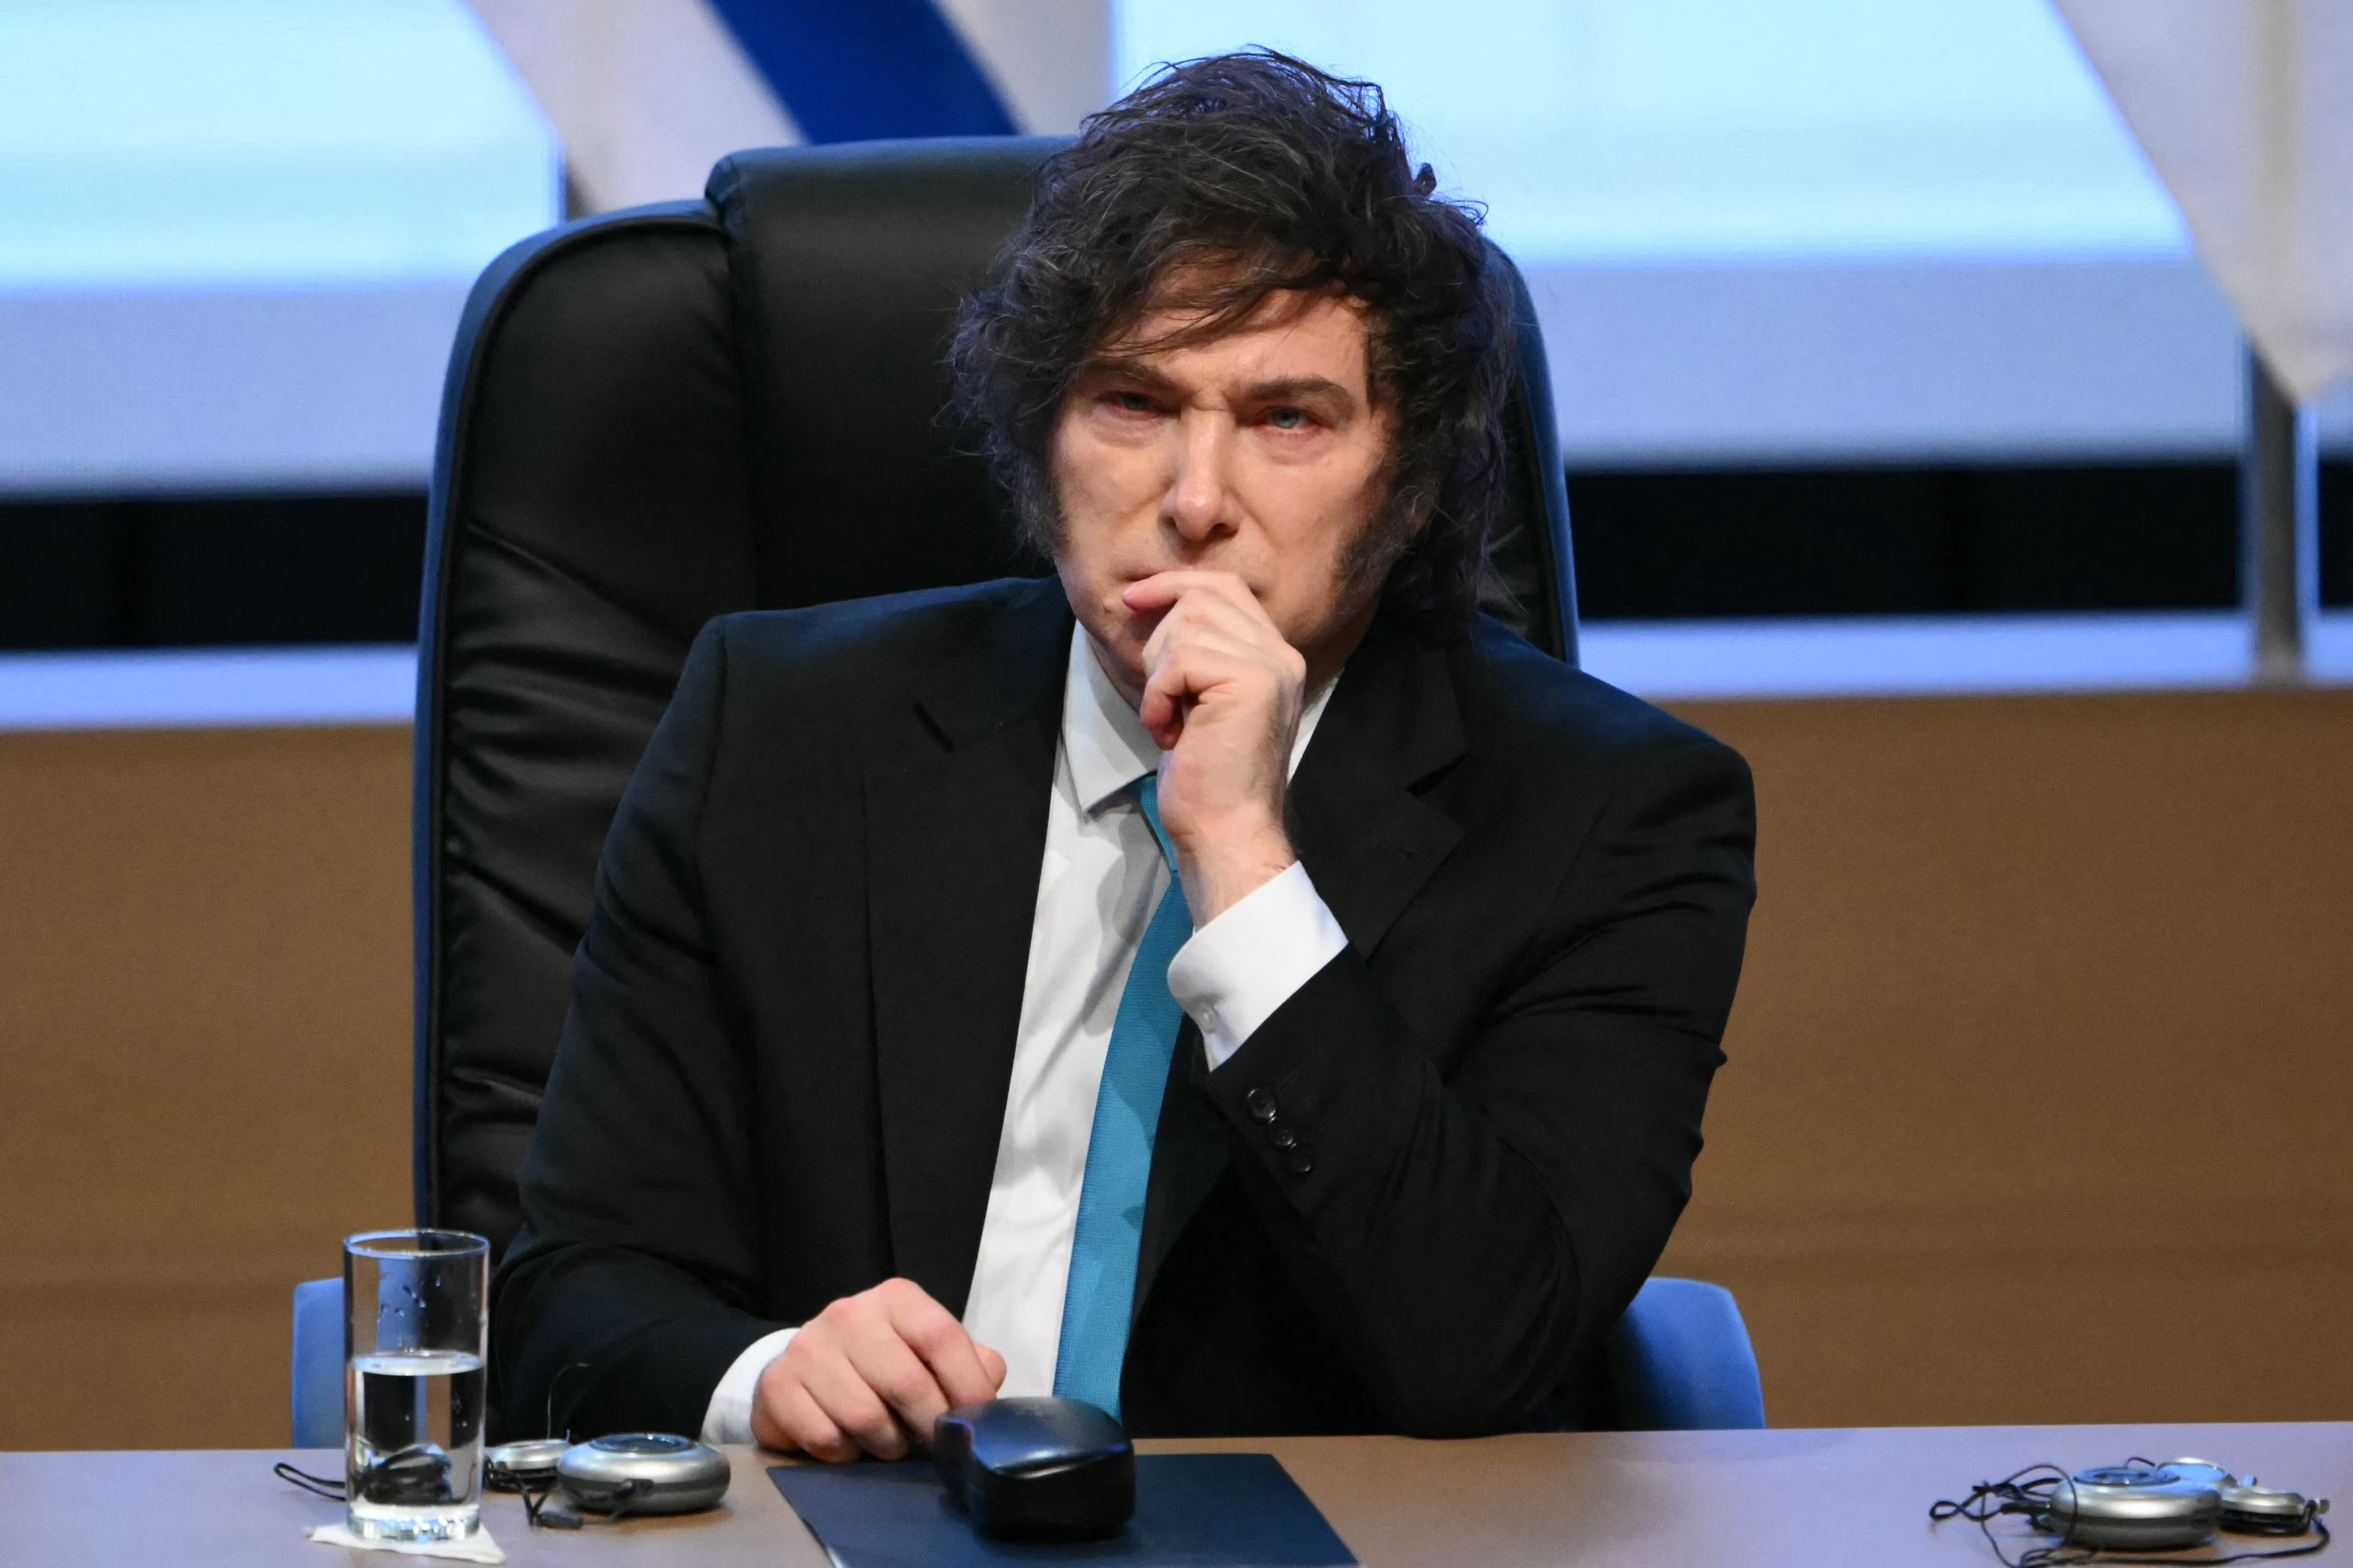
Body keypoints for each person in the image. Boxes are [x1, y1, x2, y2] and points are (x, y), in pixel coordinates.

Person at [491, 50, 1755, 1459]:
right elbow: (567, 1298)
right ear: (1040, 444)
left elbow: (1480, 1346)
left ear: (1403, 483)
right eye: (1132, 405)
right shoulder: (775, 734)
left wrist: (1243, 861)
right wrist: (769, 1374)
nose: (1197, 500)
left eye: (1288, 418)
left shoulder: (1617, 817)